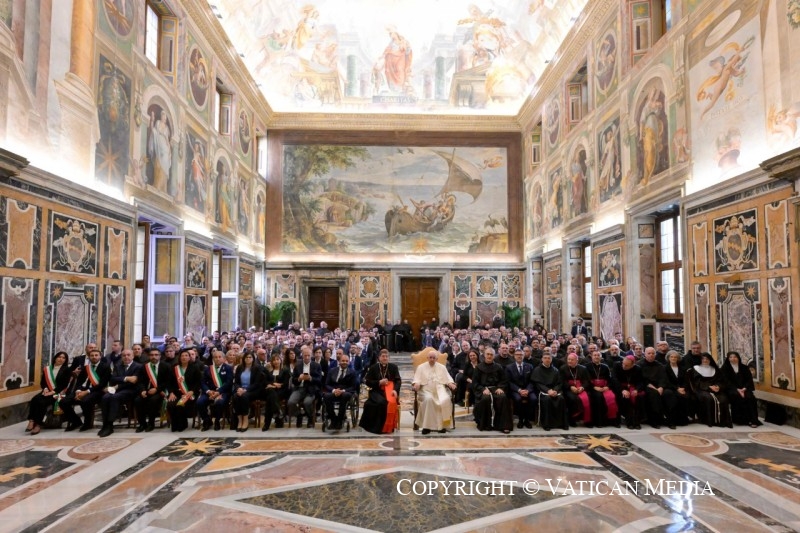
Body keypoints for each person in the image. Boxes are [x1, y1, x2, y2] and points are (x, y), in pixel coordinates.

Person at [62, 349, 111, 432]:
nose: (94, 357)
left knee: (85, 401)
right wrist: (78, 391)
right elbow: (79, 381)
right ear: (89, 357)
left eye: (96, 355)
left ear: (100, 356)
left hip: (96, 391)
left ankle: (87, 423)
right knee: (63, 402)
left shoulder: (105, 367)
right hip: (82, 390)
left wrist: (86, 392)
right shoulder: (86, 368)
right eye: (92, 355)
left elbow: (102, 384)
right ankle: (76, 421)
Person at [26, 351, 72, 435]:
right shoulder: (47, 369)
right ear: (55, 358)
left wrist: (52, 392)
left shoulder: (66, 370)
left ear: (65, 360)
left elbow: (64, 385)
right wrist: (45, 389)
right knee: (34, 399)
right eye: (59, 357)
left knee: (42, 402)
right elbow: (43, 382)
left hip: (58, 393)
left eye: (63, 358)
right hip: (47, 391)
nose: (61, 359)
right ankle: (31, 420)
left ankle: (38, 424)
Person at [99, 349, 141, 437]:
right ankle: (105, 424)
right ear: (121, 357)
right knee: (105, 397)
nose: (126, 357)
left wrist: (118, 385)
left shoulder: (138, 366)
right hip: (118, 389)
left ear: (133, 356)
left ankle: (110, 425)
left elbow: (133, 382)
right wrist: (126, 378)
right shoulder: (118, 366)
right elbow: (113, 379)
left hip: (132, 390)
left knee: (115, 397)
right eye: (124, 355)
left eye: (128, 355)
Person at [412, 350, 456, 434]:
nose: (432, 359)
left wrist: (450, 383)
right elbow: (417, 379)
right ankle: (426, 427)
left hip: (440, 390)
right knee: (429, 399)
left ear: (437, 359)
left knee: (445, 399)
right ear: (427, 358)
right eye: (430, 357)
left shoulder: (442, 367)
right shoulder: (421, 367)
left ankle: (442, 426)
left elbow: (447, 378)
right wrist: (416, 384)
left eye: (434, 358)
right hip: (425, 390)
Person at [360, 349, 401, 434]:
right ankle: (377, 428)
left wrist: (395, 390)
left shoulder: (393, 367)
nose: (385, 358)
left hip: (390, 392)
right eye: (383, 356)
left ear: (389, 358)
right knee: (380, 403)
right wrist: (379, 382)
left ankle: (387, 427)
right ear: (379, 358)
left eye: (386, 356)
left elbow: (398, 381)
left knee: (386, 403)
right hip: (376, 391)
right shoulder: (373, 367)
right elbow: (367, 381)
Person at [473, 347, 514, 433]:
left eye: (491, 354)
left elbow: (504, 380)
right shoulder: (478, 367)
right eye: (487, 354)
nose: (489, 356)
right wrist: (483, 389)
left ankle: (503, 426)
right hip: (483, 389)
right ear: (484, 355)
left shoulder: (498, 367)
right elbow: (475, 383)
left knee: (502, 397)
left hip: (496, 388)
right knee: (485, 399)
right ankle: (486, 425)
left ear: (494, 356)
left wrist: (500, 387)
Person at [689, 354, 732, 428]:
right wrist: (709, 387)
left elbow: (721, 381)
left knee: (723, 398)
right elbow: (697, 382)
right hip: (701, 389)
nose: (705, 360)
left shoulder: (715, 369)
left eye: (707, 359)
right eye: (703, 359)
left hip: (715, 388)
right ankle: (708, 420)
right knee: (708, 398)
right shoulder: (696, 368)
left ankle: (722, 421)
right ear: (700, 360)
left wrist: (718, 387)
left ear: (710, 360)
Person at [135, 347, 171, 433]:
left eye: (156, 355)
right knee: (138, 400)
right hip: (147, 390)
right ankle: (142, 424)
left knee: (153, 400)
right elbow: (140, 381)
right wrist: (142, 390)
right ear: (149, 356)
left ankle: (151, 423)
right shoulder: (144, 366)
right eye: (151, 355)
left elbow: (168, 381)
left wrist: (157, 389)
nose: (154, 357)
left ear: (160, 356)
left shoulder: (166, 366)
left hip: (161, 391)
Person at [721, 351, 761, 428]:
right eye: (731, 357)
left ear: (738, 358)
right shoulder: (725, 368)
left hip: (744, 388)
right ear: (728, 359)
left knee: (750, 397)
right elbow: (726, 382)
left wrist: (744, 388)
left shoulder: (744, 368)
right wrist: (737, 390)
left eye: (735, 357)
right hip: (731, 389)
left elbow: (749, 380)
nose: (733, 359)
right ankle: (740, 420)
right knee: (737, 396)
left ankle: (753, 420)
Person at [638, 346, 674, 429]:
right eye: (649, 353)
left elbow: (663, 378)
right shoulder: (639, 364)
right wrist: (652, 387)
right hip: (647, 386)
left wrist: (661, 387)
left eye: (653, 353)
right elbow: (641, 379)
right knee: (654, 394)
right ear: (645, 354)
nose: (651, 355)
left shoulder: (659, 365)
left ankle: (670, 420)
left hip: (659, 386)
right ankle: (654, 421)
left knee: (669, 393)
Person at [197, 348, 233, 431]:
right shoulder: (207, 369)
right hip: (210, 392)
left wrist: (218, 392)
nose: (217, 359)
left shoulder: (228, 368)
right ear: (213, 359)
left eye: (220, 357)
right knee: (199, 402)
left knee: (219, 402)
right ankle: (207, 420)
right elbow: (203, 382)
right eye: (215, 357)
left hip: (223, 392)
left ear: (224, 359)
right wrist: (208, 391)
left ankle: (217, 421)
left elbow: (228, 383)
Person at [166, 349, 202, 432]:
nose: (184, 357)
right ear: (179, 358)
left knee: (180, 404)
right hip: (176, 393)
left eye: (186, 356)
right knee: (170, 404)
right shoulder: (175, 368)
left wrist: (192, 391)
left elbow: (198, 382)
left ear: (189, 358)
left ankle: (182, 424)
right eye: (182, 356)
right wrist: (171, 392)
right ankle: (175, 424)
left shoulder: (194, 368)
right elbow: (169, 382)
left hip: (190, 393)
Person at [287, 346, 323, 428]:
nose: (307, 357)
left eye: (308, 355)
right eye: (305, 355)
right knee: (291, 402)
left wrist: (310, 378)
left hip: (311, 389)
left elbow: (319, 380)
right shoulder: (298, 366)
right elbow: (294, 380)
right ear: (302, 355)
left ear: (311, 355)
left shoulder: (316, 365)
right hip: (299, 388)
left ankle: (310, 418)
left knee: (307, 402)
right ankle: (299, 415)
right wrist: (299, 379)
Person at [531, 352, 568, 431]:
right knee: (547, 399)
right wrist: (548, 390)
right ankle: (547, 424)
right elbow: (537, 383)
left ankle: (561, 423)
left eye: (549, 358)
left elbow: (559, 383)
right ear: (542, 359)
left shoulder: (555, 370)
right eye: (545, 358)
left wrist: (555, 390)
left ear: (551, 360)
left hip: (554, 390)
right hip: (543, 391)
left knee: (561, 399)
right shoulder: (537, 370)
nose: (547, 360)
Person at [324, 354, 359, 430]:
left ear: (349, 362)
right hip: (334, 391)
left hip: (346, 391)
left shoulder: (352, 372)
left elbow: (353, 386)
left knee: (345, 395)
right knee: (326, 396)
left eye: (346, 361)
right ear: (339, 361)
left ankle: (340, 420)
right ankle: (333, 419)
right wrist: (334, 390)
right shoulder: (332, 370)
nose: (344, 362)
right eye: (343, 361)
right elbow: (327, 384)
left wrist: (342, 391)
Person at [232, 352, 265, 432]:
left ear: (253, 359)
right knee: (236, 396)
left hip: (253, 390)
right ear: (244, 359)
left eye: (250, 357)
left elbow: (257, 383)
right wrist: (239, 388)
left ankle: (245, 419)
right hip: (241, 390)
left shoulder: (257, 368)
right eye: (246, 357)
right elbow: (236, 382)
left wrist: (245, 390)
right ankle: (240, 420)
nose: (248, 359)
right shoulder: (240, 367)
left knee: (243, 396)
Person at [586, 347, 619, 428]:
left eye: (598, 355)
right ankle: (598, 421)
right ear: (591, 356)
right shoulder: (587, 366)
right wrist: (594, 387)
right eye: (595, 355)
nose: (596, 357)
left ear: (601, 357)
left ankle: (612, 421)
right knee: (598, 397)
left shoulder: (605, 367)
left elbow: (609, 379)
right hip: (592, 388)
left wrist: (607, 387)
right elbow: (586, 380)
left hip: (604, 387)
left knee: (612, 397)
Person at [559, 353, 592, 427]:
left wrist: (582, 387)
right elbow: (562, 381)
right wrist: (570, 387)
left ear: (577, 360)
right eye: (568, 359)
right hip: (568, 389)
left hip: (581, 388)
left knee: (588, 397)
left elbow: (587, 381)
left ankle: (587, 420)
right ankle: (572, 420)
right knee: (572, 398)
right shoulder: (563, 368)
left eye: (572, 360)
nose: (570, 361)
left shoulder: (583, 368)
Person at [506, 349, 535, 429]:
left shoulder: (529, 366)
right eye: (517, 355)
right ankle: (521, 420)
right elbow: (509, 382)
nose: (519, 356)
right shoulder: (509, 367)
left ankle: (527, 420)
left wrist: (527, 390)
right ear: (514, 356)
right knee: (518, 399)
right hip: (515, 390)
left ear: (523, 356)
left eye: (521, 355)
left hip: (528, 389)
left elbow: (532, 381)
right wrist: (519, 390)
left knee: (533, 399)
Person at [613, 355, 643, 429]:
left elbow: (640, 382)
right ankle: (629, 422)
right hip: (619, 388)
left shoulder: (637, 369)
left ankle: (637, 422)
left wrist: (636, 390)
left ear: (632, 365)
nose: (623, 366)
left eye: (626, 365)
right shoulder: (617, 365)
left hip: (633, 388)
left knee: (639, 398)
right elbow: (614, 380)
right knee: (625, 398)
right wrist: (622, 390)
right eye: (623, 363)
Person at [262, 354, 291, 430]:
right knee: (271, 394)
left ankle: (267, 423)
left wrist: (276, 385)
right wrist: (273, 384)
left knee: (270, 399)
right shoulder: (269, 371)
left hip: (282, 391)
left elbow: (286, 384)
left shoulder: (285, 370)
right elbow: (266, 381)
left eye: (277, 359)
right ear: (272, 362)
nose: (276, 361)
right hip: (271, 391)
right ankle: (278, 412)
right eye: (274, 360)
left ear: (281, 360)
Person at [664, 350, 692, 427]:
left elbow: (685, 380)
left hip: (681, 388)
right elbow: (666, 381)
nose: (673, 358)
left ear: (678, 358)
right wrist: (677, 388)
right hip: (670, 388)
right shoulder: (665, 368)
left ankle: (682, 419)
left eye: (675, 357)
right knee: (672, 397)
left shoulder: (682, 368)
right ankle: (671, 421)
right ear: (668, 358)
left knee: (685, 396)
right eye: (671, 357)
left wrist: (683, 388)